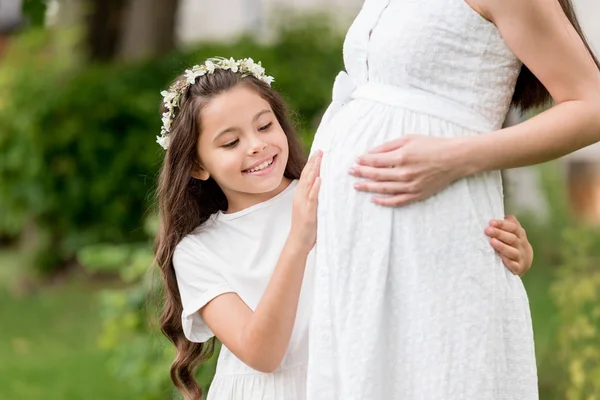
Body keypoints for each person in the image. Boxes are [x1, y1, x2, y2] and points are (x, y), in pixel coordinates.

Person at [154, 57, 536, 400]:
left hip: (352, 378)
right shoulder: (199, 251)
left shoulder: (331, 186)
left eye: (265, 125)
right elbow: (262, 353)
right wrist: (299, 238)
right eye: (231, 142)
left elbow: (408, 256)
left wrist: (508, 251)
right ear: (197, 166)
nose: (256, 145)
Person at [306, 0, 600, 399]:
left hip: (434, 230)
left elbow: (592, 106)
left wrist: (453, 157)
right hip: (358, 252)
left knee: (438, 374)